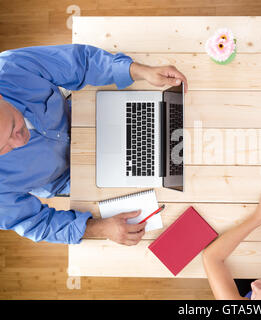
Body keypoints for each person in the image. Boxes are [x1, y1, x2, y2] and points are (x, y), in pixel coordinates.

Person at [0, 44, 187, 245]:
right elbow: (35, 223)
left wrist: (140, 71)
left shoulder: (11, 67)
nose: (20, 141)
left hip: (89, 115)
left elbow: (80, 63)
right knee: (170, 194)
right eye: (3, 148)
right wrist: (100, 228)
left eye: (13, 127)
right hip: (72, 177)